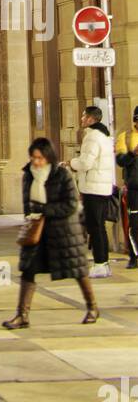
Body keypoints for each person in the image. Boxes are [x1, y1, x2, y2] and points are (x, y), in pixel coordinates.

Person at [3, 138, 99, 328]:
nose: (36, 162)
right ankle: (22, 315)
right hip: (37, 230)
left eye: (39, 158)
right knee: (28, 270)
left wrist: (46, 210)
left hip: (64, 231)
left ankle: (93, 308)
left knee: (78, 270)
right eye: (33, 158)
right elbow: (26, 203)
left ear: (48, 156)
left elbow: (71, 204)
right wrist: (30, 219)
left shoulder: (62, 174)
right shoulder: (28, 175)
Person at [69, 105, 116, 278]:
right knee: (100, 227)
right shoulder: (104, 136)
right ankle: (103, 263)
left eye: (83, 116)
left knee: (94, 227)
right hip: (102, 187)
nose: (81, 119)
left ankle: (100, 264)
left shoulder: (92, 137)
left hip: (93, 188)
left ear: (90, 119)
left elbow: (85, 163)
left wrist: (71, 163)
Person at [115, 106, 138, 268]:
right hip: (134, 189)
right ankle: (134, 256)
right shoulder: (126, 137)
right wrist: (132, 154)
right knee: (134, 224)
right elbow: (120, 160)